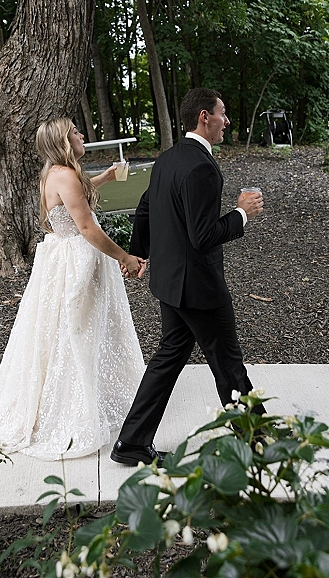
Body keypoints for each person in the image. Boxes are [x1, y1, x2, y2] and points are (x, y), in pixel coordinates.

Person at [0, 117, 146, 460]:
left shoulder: (57, 172)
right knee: (77, 331)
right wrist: (126, 257)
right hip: (76, 260)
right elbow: (87, 228)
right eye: (75, 131)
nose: (81, 134)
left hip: (63, 255)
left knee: (75, 330)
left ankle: (90, 393)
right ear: (64, 141)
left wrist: (104, 177)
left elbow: (73, 199)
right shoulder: (65, 174)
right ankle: (73, 406)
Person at [111, 88, 264, 467]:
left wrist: (138, 253)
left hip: (170, 283)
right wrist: (241, 213)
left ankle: (131, 442)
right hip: (199, 287)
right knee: (228, 361)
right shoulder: (202, 167)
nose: (226, 121)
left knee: (168, 359)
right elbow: (203, 236)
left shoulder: (168, 159)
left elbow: (145, 207)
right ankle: (256, 438)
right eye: (222, 113)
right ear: (203, 117)